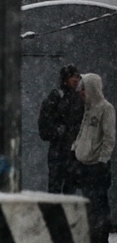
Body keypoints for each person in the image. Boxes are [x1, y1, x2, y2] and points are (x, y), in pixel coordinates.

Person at [73, 73, 116, 243]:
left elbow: (109, 137)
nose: (81, 92)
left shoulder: (106, 109)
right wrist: (75, 150)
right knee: (90, 206)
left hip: (97, 166)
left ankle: (100, 242)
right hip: (85, 165)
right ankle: (92, 241)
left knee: (98, 206)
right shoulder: (89, 109)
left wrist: (103, 161)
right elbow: (83, 132)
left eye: (83, 88)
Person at [38, 64, 84, 193]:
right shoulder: (56, 97)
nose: (75, 80)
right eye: (72, 77)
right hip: (60, 149)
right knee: (56, 186)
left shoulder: (80, 98)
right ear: (65, 79)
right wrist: (58, 131)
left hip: (73, 150)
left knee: (69, 187)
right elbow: (44, 125)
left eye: (77, 77)